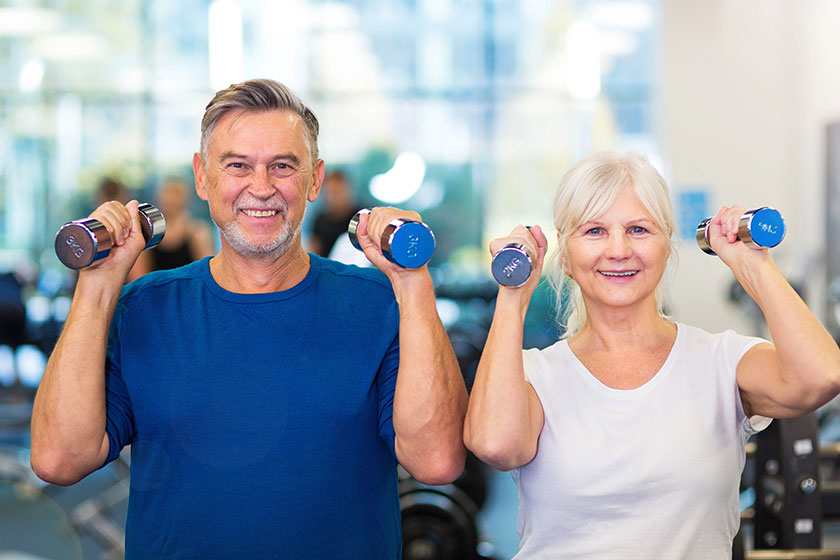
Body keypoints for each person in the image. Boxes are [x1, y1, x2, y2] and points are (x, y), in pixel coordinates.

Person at [30, 78, 468, 558]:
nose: (261, 188)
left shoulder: (381, 305)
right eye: (237, 165)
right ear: (203, 176)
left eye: (282, 166)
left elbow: (437, 461)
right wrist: (97, 285)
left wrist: (412, 283)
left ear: (314, 179)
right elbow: (58, 459)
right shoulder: (142, 309)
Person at [463, 152, 840, 559]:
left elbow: (821, 378)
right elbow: (495, 445)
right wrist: (513, 293)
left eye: (638, 229)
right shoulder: (533, 375)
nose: (619, 249)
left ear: (666, 245)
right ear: (566, 257)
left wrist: (753, 266)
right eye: (594, 231)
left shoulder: (721, 361)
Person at [128, 178, 215, 280]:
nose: (171, 199)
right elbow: (137, 280)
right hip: (153, 293)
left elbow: (206, 277)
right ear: (158, 196)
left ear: (186, 198)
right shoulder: (146, 233)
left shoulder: (198, 232)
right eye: (168, 192)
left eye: (176, 193)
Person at [308, 168, 359, 258]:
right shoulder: (320, 220)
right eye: (330, 192)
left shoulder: (360, 217)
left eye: (337, 191)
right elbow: (313, 250)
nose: (333, 197)